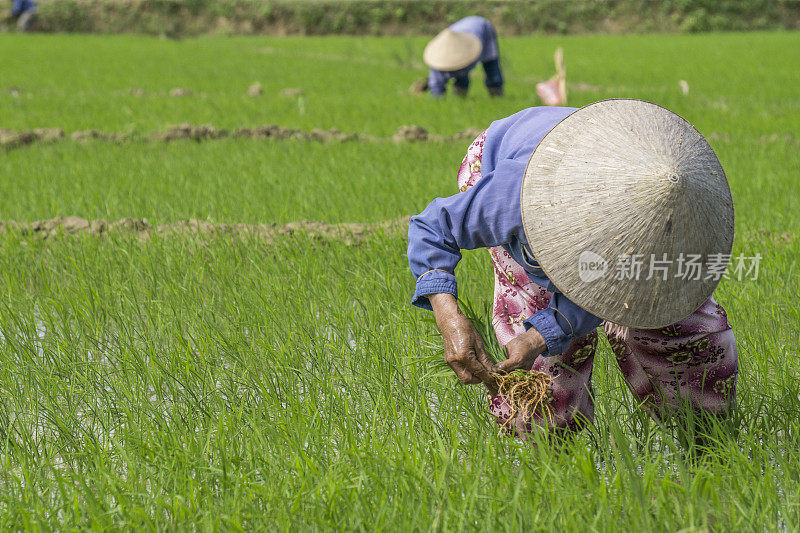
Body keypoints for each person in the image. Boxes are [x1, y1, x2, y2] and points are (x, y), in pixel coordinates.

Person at [407, 99, 738, 438]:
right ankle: (554, 458)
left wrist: (544, 333)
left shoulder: (687, 211)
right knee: (545, 359)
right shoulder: (521, 195)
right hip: (520, 163)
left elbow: (613, 289)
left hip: (639, 176)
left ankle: (708, 439)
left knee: (676, 327)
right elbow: (433, 228)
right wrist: (451, 319)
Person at [423, 16, 504, 98]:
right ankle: (460, 97)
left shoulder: (470, 47)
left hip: (482, 31)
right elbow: (436, 82)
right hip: (459, 31)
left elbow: (463, 65)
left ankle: (496, 93)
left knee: (490, 64)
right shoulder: (438, 61)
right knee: (458, 69)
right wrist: (437, 97)